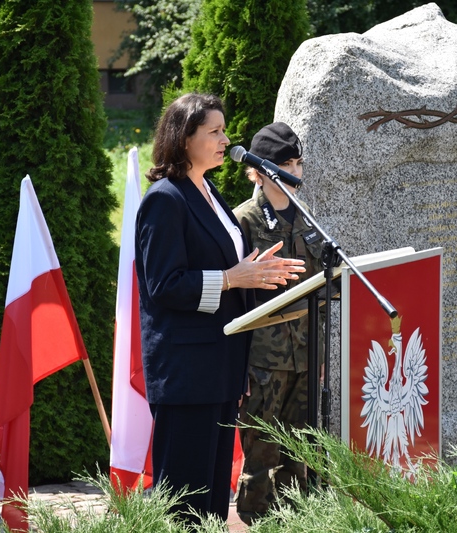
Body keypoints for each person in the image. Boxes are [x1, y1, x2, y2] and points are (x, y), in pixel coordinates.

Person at [134, 93, 305, 525]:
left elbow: (230, 266)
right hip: (187, 371)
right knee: (184, 500)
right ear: (183, 136)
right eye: (214, 131)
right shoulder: (165, 200)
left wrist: (256, 273)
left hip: (221, 366)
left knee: (210, 499)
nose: (225, 140)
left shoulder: (208, 191)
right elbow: (163, 285)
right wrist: (233, 278)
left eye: (224, 130)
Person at [233, 122, 325, 525]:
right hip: (263, 360)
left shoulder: (308, 218)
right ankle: (256, 519)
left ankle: (298, 519)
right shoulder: (244, 221)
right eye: (286, 163)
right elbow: (235, 296)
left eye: (298, 162)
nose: (295, 170)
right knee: (261, 452)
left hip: (306, 353)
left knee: (301, 453)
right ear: (262, 170)